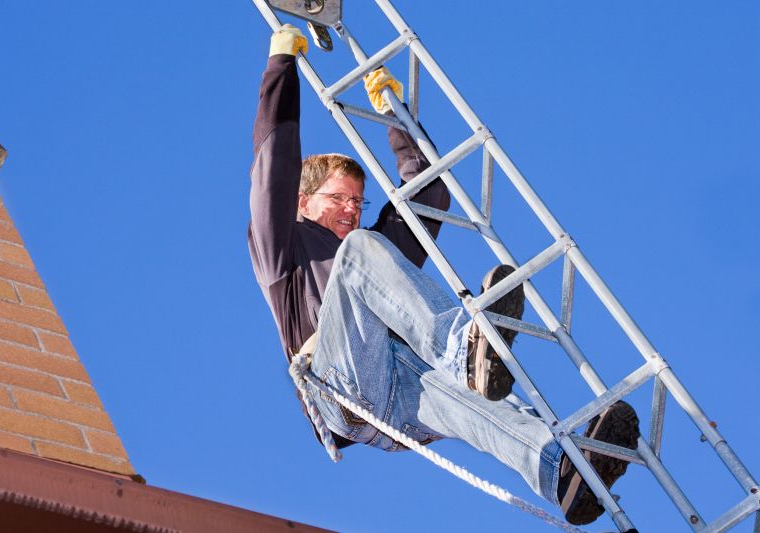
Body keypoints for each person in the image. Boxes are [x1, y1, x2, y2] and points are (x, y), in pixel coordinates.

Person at [248, 25, 640, 526]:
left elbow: (428, 193)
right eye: (338, 199)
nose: (351, 210)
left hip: (404, 395)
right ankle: (462, 350)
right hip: (342, 384)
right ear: (303, 203)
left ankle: (563, 472)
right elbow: (271, 167)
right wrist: (281, 67)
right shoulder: (283, 247)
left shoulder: (376, 265)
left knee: (487, 405)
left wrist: (394, 115)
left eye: (357, 201)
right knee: (364, 249)